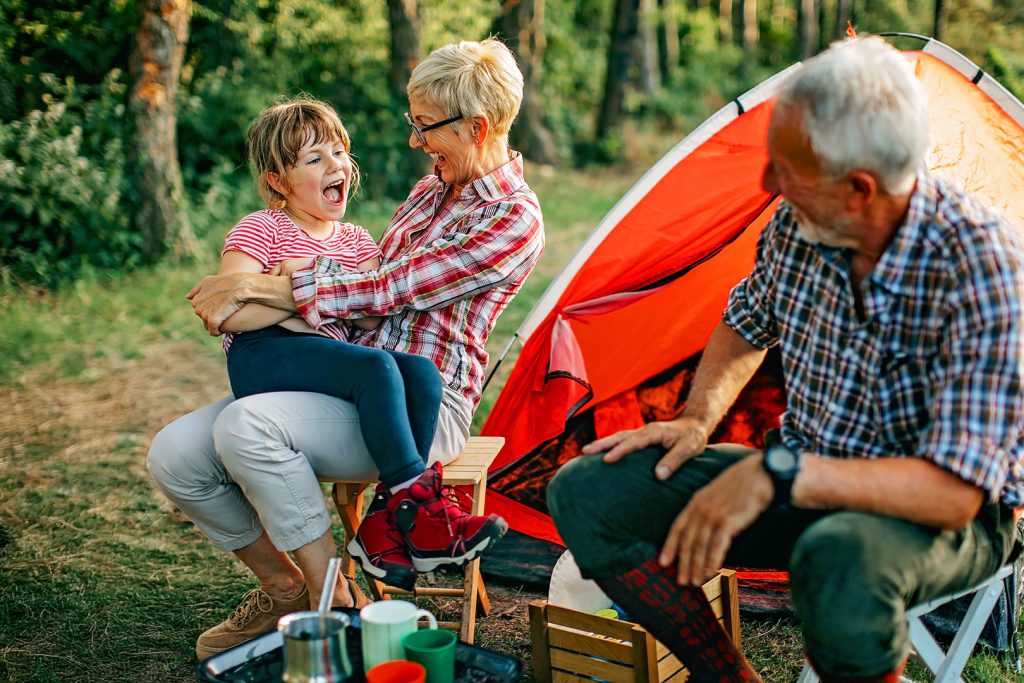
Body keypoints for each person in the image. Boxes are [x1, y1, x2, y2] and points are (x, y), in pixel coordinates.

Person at [548, 36, 1024, 683]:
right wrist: (696, 419)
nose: (769, 184)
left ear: (858, 189)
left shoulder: (981, 268)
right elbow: (744, 325)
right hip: (799, 475)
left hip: (943, 517)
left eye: (786, 171)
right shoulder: (800, 226)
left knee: (840, 555)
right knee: (589, 490)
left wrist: (780, 471)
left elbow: (952, 493)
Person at [146, 38, 544, 660]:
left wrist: (262, 285)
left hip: (422, 404)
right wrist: (279, 295)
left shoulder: (511, 218)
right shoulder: (431, 188)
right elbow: (357, 292)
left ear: (477, 126)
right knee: (174, 455)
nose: (416, 141)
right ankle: (283, 585)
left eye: (424, 126)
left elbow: (385, 288)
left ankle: (335, 595)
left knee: (249, 426)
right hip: (345, 377)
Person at [217, 96, 504, 592]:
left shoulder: (355, 240)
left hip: (326, 360)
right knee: (374, 369)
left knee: (419, 372)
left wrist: (299, 282)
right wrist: (318, 298)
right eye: (314, 159)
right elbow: (231, 311)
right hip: (261, 354)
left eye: (338, 152)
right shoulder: (262, 227)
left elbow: (373, 313)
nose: (336, 166)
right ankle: (423, 509)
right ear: (277, 182)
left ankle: (386, 523)